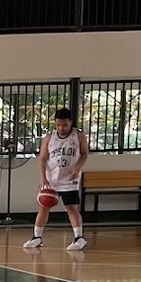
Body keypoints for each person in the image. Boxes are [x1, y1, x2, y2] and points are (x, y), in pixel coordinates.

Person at [24, 107, 89, 251]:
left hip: (69, 178)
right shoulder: (49, 137)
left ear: (71, 122)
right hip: (51, 178)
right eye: (58, 125)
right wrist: (43, 179)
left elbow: (84, 154)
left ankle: (79, 237)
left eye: (64, 125)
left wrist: (77, 167)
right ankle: (36, 237)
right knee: (44, 207)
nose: (61, 128)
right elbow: (42, 159)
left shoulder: (78, 136)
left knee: (71, 207)